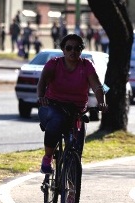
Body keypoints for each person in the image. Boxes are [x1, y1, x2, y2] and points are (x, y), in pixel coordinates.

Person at [36, 34, 108, 174]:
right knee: (57, 120)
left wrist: (102, 102)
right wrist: (41, 97)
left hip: (77, 111)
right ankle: (48, 157)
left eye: (77, 48)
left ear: (81, 50)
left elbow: (97, 86)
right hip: (53, 106)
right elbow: (42, 82)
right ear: (63, 49)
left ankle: (70, 189)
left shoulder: (87, 65)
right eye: (69, 48)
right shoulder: (54, 64)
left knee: (77, 148)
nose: (73, 51)